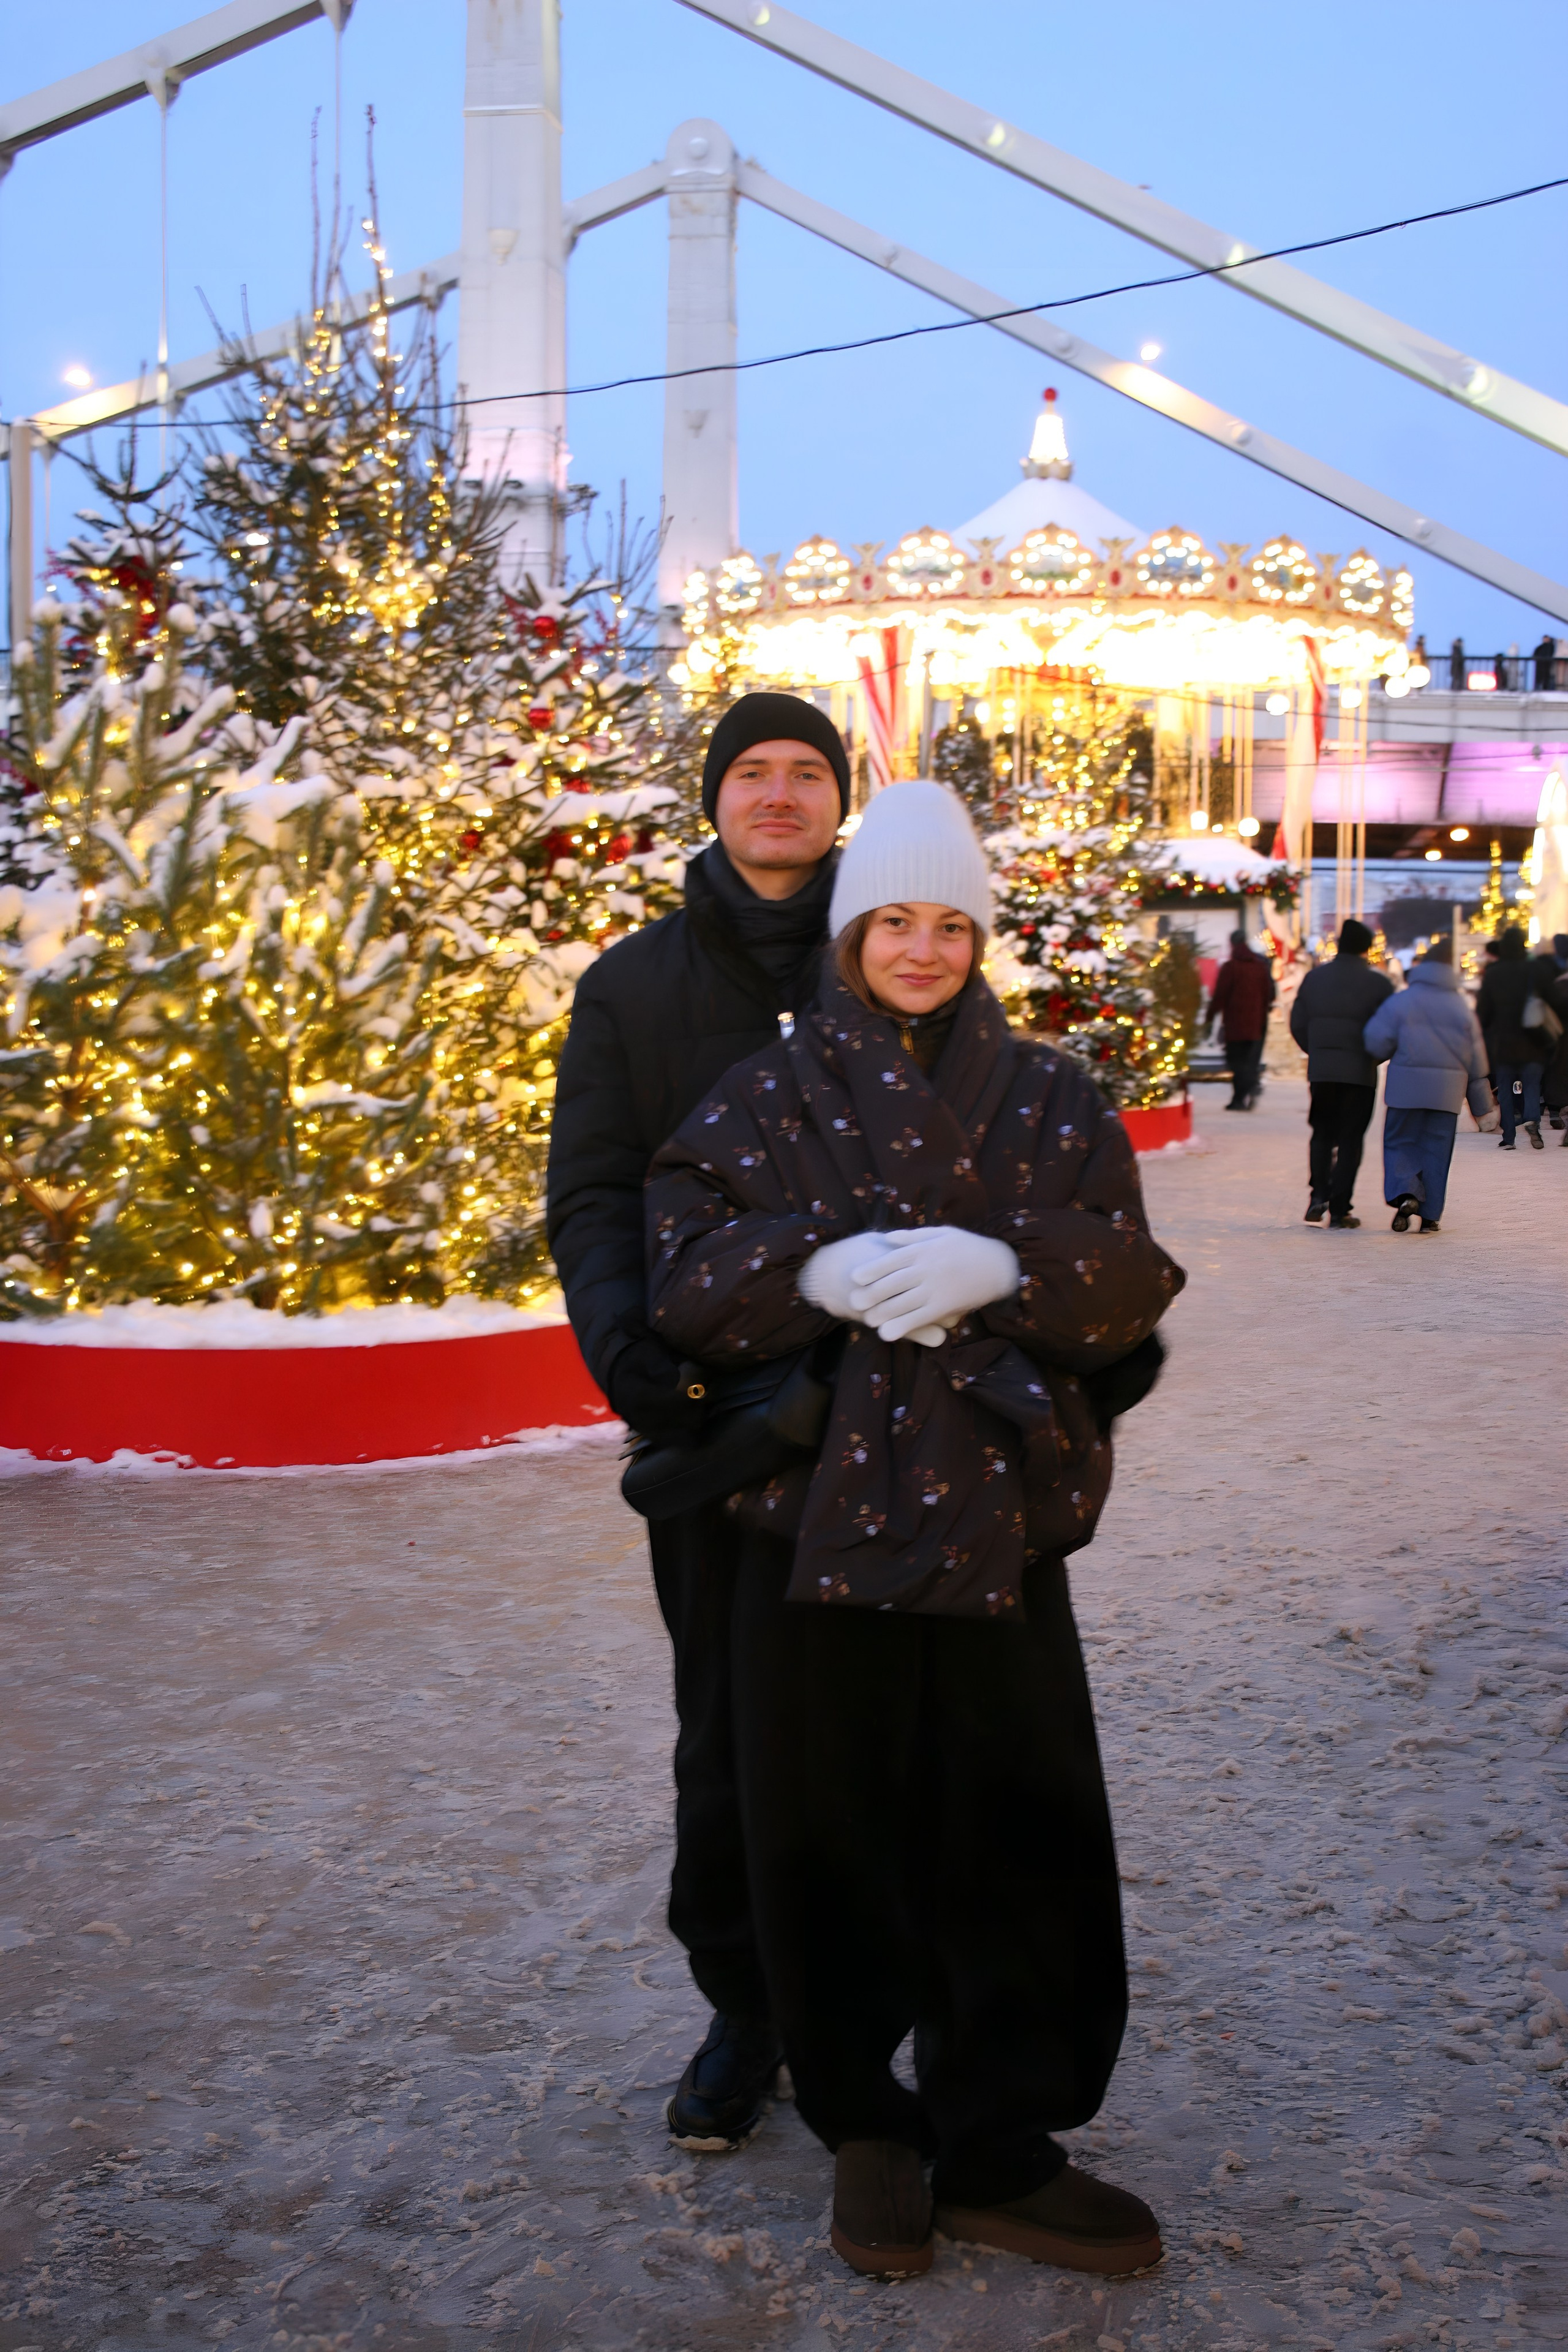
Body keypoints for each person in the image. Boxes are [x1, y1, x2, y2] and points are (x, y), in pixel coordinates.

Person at [646, 782, 1185, 2283]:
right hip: (807, 1536)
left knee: (1018, 1827)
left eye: (951, 921)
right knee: (822, 1831)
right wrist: (812, 1271)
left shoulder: (1054, 1095)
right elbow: (681, 1265)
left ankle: (1003, 2131)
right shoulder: (757, 1095)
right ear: (848, 929)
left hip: (995, 1528)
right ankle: (864, 2123)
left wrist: (1000, 1259)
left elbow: (1127, 1276)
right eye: (895, 917)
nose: (924, 946)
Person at [547, 691, 849, 2149]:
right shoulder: (632, 986)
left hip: (885, 1418)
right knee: (725, 1723)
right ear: (714, 797)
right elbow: (592, 1189)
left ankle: (873, 2000)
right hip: (715, 1423)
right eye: (752, 772)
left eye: (806, 772)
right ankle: (745, 2004)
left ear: (840, 799)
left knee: (886, 1716)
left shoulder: (900, 959)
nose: (779, 794)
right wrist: (624, 1348)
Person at [1363, 939, 1490, 1231]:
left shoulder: (1401, 1002)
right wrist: (1483, 1106)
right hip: (1446, 1094)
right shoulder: (1462, 1008)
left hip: (1405, 1091)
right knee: (1437, 1150)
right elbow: (1477, 1061)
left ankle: (1406, 1194)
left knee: (1400, 1142)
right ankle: (1430, 1215)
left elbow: (1376, 1041)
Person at [1287, 916, 1394, 1228]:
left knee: (1321, 1132)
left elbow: (1297, 1023)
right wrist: (1374, 1058)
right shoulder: (1378, 984)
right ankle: (1340, 1208)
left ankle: (1318, 1193)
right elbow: (1391, 1030)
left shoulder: (1314, 979)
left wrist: (1317, 1052)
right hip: (1360, 1073)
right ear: (1367, 948)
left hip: (1322, 1072)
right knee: (1350, 1139)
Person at [1476, 926, 1549, 1149]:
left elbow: (1483, 1014)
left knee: (1506, 1088)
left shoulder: (1495, 972)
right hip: (1532, 1040)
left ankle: (1509, 1138)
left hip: (1503, 1043)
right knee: (1532, 1084)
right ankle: (1532, 1120)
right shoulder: (1536, 970)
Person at [1205, 927, 1276, 1109]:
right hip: (1257, 1023)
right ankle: (1247, 1092)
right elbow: (1270, 994)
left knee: (1236, 1062)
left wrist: (1210, 1017)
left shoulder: (1230, 968)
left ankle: (1240, 1098)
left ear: (1233, 944)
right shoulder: (1260, 967)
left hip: (1235, 1024)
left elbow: (1220, 996)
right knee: (1250, 1061)